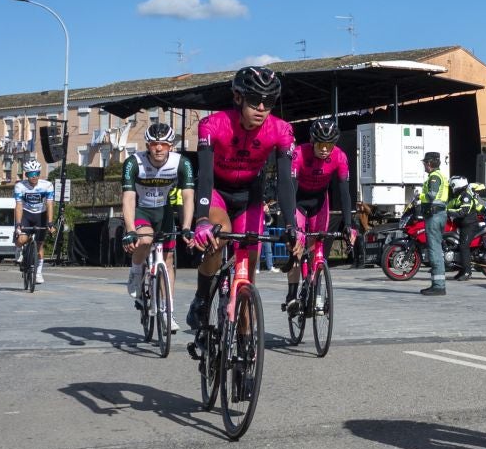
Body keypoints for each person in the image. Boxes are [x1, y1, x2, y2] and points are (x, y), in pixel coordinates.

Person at [186, 66, 301, 331]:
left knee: (247, 271)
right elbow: (204, 176)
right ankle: (201, 299)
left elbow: (285, 181)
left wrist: (291, 225)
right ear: (238, 98)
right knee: (220, 235)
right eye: (254, 99)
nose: (262, 107)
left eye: (269, 101)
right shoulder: (212, 125)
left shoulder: (281, 130)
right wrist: (202, 219)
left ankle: (244, 348)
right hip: (218, 191)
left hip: (250, 194)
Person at [120, 121, 195, 306]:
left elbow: (188, 197)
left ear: (171, 146)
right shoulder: (133, 162)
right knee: (145, 240)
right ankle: (136, 272)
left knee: (168, 259)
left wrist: (186, 227)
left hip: (164, 211)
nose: (159, 148)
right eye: (154, 144)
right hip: (141, 210)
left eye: (163, 144)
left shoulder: (182, 163)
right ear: (148, 146)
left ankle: (167, 308)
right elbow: (128, 198)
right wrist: (130, 230)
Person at [286, 116, 354, 311]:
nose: (325, 149)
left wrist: (349, 224)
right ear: (313, 141)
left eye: (329, 144)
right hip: (298, 200)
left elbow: (344, 192)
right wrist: (292, 225)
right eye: (321, 144)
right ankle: (292, 294)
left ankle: (315, 288)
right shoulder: (299, 154)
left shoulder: (339, 157)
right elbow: (290, 189)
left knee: (318, 244)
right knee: (296, 246)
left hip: (319, 202)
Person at [13, 159, 57, 280]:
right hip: (26, 214)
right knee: (22, 239)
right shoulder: (20, 186)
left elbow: (49, 204)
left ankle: (38, 273)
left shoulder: (47, 185)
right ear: (26, 175)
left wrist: (50, 223)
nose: (34, 177)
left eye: (37, 173)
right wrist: (18, 224)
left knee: (39, 245)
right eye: (31, 174)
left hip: (40, 215)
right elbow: (18, 205)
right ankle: (18, 249)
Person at [417, 150, 449, 295]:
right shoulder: (440, 175)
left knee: (434, 249)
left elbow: (431, 195)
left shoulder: (434, 177)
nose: (424, 165)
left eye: (425, 162)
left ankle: (438, 285)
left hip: (434, 215)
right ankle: (437, 284)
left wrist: (420, 195)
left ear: (429, 163)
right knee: (436, 248)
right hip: (440, 214)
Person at [447, 173, 482, 280]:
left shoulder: (466, 196)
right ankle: (461, 271)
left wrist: (448, 211)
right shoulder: (459, 196)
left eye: (452, 185)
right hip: (462, 224)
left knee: (463, 246)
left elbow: (463, 211)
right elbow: (449, 204)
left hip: (469, 225)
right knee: (457, 246)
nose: (451, 188)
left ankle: (467, 272)